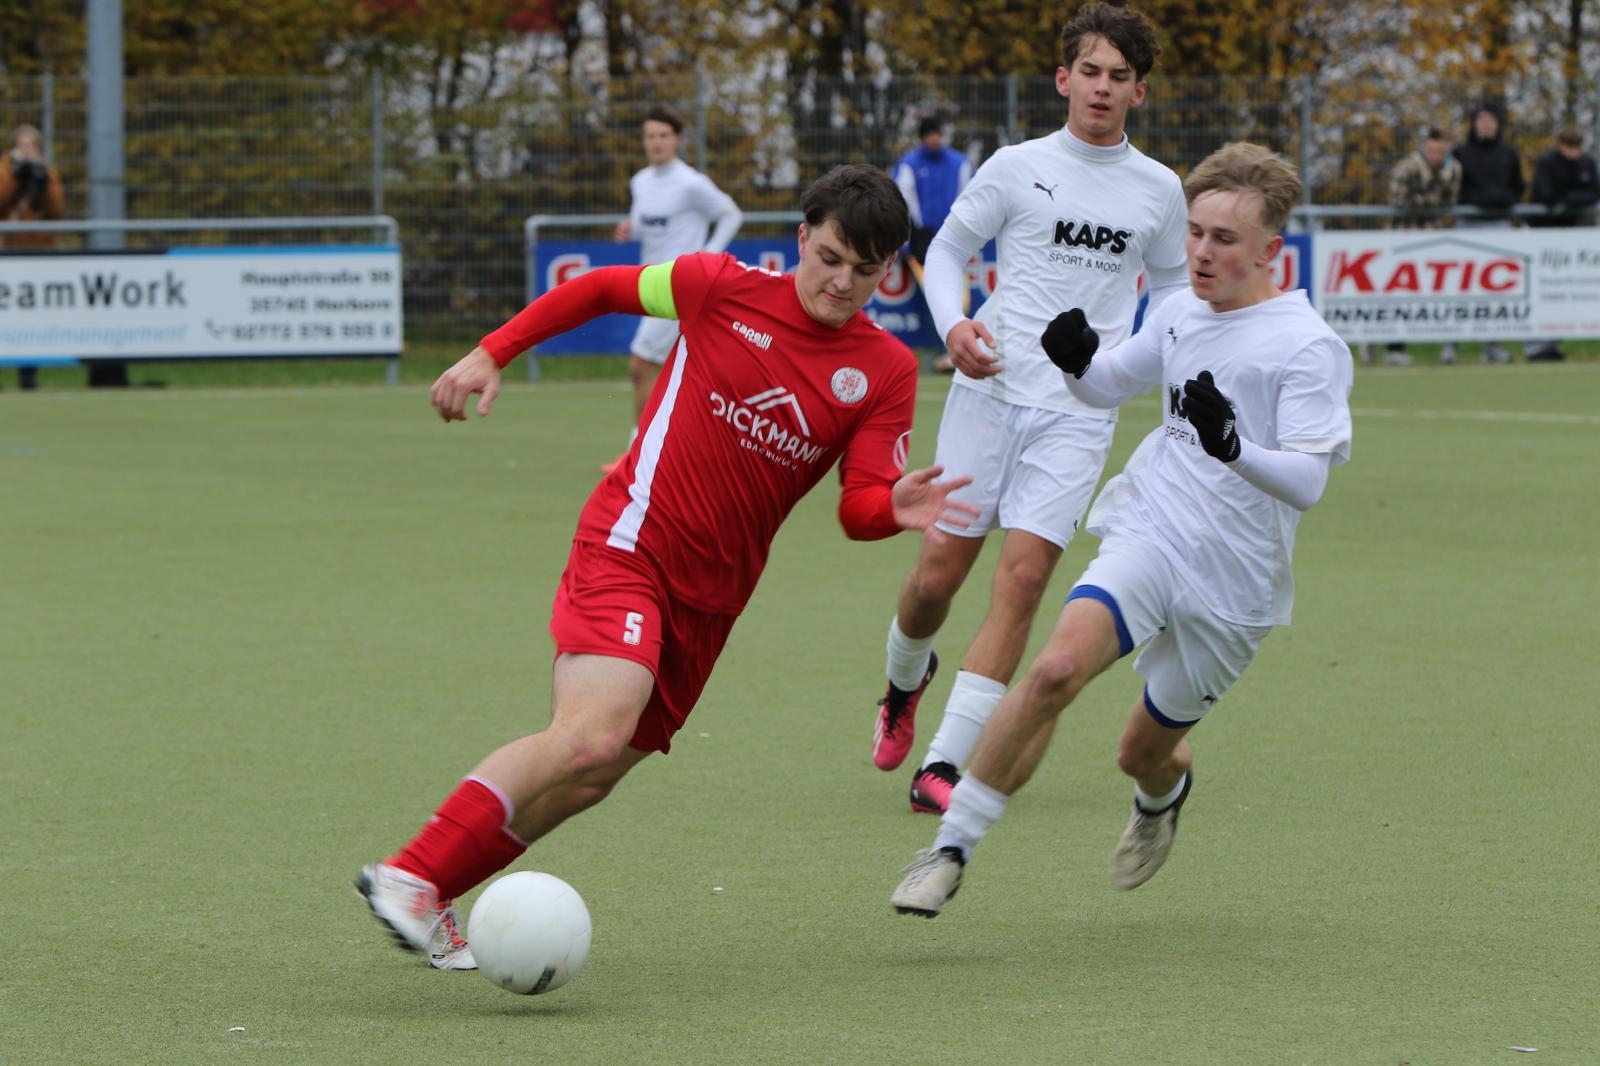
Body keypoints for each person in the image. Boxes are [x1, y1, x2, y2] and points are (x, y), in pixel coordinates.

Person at [355, 164, 979, 969]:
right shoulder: (718, 285)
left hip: (713, 601)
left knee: (593, 777)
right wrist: (492, 351)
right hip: (631, 543)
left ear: (889, 268)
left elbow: (856, 507)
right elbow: (600, 290)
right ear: (802, 239)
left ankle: (434, 888)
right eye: (829, 258)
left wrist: (891, 507)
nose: (842, 283)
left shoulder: (885, 368)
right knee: (590, 735)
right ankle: (411, 872)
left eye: (866, 270)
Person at [889, 141, 1353, 918]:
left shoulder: (1305, 345)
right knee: (1054, 670)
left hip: (1235, 583)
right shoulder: (1176, 312)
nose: (1200, 252)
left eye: (1224, 239)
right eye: (1195, 232)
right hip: (1150, 534)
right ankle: (950, 849)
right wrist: (1076, 362)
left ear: (1269, 250)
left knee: (1141, 752)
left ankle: (1161, 795)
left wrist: (1234, 448)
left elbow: (1308, 481)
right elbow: (1107, 385)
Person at [867, 1, 1188, 818]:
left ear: (1140, 92)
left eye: (1120, 76)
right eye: (1091, 72)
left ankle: (944, 762)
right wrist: (954, 324)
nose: (1103, 88)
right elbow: (946, 250)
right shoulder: (1015, 166)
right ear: (1062, 79)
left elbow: (1174, 291)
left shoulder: (1160, 190)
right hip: (989, 392)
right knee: (937, 575)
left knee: (1024, 578)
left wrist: (1128, 366)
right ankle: (904, 683)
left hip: (1079, 412)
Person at [605, 105, 743, 472]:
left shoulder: (691, 183)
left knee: (641, 364)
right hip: (651, 283)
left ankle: (636, 454)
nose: (656, 142)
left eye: (663, 135)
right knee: (681, 373)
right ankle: (674, 451)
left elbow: (731, 213)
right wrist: (630, 229)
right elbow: (647, 225)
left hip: (679, 286)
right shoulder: (640, 181)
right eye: (650, 136)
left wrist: (708, 255)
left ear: (677, 139)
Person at [1364, 129, 1460, 366]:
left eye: (1440, 151)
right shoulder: (1407, 168)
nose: (1435, 156)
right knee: (1396, 294)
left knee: (1431, 293)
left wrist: (1427, 203)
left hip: (1433, 237)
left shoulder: (1453, 169)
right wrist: (1431, 202)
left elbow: (1450, 202)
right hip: (1402, 239)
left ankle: (1444, 347)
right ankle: (1382, 342)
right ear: (1423, 148)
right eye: (1431, 150)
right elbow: (1398, 201)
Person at [892, 114, 974, 373]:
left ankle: (958, 351)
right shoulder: (909, 164)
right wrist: (907, 241)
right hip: (922, 243)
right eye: (930, 134)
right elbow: (902, 203)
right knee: (934, 293)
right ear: (922, 137)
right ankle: (944, 352)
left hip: (954, 240)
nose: (935, 139)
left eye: (938, 134)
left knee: (960, 296)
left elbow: (970, 199)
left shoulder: (959, 163)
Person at [1444, 102, 1524, 365]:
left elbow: (1518, 187)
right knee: (1461, 286)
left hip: (1499, 224)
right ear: (1474, 123)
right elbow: (1452, 187)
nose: (1486, 125)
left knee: (1496, 287)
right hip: (1468, 224)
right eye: (1481, 119)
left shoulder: (1508, 153)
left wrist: (1502, 200)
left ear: (1498, 124)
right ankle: (1452, 345)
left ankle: (1493, 346)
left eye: (1491, 120)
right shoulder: (1460, 153)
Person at [0, 123, 66, 391]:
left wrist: (42, 184)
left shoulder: (47, 172)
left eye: (31, 145)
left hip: (36, 252)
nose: (26, 150)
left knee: (31, 316)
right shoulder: (4, 169)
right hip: (6, 249)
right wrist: (14, 177)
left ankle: (28, 374)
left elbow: (57, 212)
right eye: (22, 145)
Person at [1525, 126, 1599, 362]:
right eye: (1570, 147)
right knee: (1540, 291)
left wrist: (1567, 200)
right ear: (1559, 145)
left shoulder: (1587, 162)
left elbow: (1593, 192)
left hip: (1570, 236)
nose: (1574, 153)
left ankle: (1551, 344)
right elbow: (1545, 194)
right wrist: (1573, 198)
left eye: (1578, 148)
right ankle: (1536, 348)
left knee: (1563, 292)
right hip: (1542, 234)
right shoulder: (1546, 162)